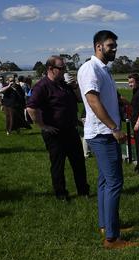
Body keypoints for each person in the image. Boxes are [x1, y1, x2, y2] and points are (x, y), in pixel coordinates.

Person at [78, 30, 138, 250]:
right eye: (110, 45)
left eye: (115, 46)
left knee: (105, 181)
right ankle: (112, 239)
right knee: (114, 183)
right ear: (98, 46)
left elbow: (102, 96)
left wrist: (120, 100)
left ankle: (107, 226)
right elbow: (93, 101)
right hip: (103, 134)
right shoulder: (90, 69)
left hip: (103, 132)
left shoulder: (103, 69)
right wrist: (114, 128)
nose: (114, 49)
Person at [26, 55, 90, 201]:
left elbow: (80, 99)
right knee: (58, 165)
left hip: (71, 129)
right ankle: (61, 193)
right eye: (61, 68)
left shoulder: (64, 84)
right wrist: (43, 126)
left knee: (78, 161)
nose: (64, 71)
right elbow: (31, 108)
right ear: (50, 69)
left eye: (65, 68)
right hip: (55, 133)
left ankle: (83, 190)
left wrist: (74, 86)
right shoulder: (42, 86)